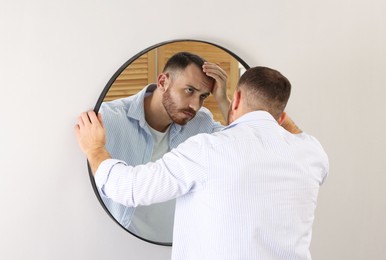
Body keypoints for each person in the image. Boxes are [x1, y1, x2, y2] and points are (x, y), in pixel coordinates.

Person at [75, 66, 329, 259]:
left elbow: (130, 189)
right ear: (281, 116)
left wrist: (95, 148)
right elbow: (286, 134)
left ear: (237, 99)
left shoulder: (208, 149)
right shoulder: (312, 153)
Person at [97, 52, 230, 242]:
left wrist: (223, 99)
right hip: (121, 245)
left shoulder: (201, 122)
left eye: (203, 97)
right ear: (162, 82)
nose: (195, 106)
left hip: (180, 246)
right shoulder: (108, 119)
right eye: (189, 90)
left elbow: (241, 139)